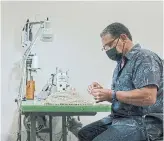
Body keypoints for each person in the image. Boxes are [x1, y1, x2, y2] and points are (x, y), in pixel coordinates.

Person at [68, 22, 163, 141]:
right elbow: (121, 97)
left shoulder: (144, 58)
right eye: (105, 48)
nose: (108, 50)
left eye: (109, 45)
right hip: (120, 118)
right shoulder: (121, 64)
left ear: (123, 38)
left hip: (143, 122)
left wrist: (112, 94)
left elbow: (149, 97)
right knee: (84, 134)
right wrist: (104, 93)